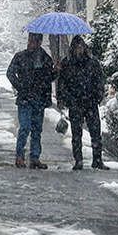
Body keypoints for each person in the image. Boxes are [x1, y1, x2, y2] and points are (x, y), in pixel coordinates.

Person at [57, 36, 109, 171]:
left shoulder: (92, 63)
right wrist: (64, 99)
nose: (79, 50)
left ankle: (97, 160)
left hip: (90, 102)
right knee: (76, 133)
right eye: (76, 47)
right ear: (73, 48)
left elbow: (99, 80)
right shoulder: (67, 63)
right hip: (75, 103)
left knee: (95, 132)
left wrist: (98, 96)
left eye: (81, 47)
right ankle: (78, 160)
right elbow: (62, 83)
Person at [6, 32, 56, 170]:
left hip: (39, 99)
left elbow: (49, 77)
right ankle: (20, 155)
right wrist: (20, 87)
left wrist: (55, 71)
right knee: (25, 127)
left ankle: (35, 157)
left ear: (39, 42)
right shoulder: (20, 56)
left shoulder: (45, 58)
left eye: (33, 41)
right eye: (29, 40)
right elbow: (10, 72)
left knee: (37, 129)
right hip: (25, 99)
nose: (30, 43)